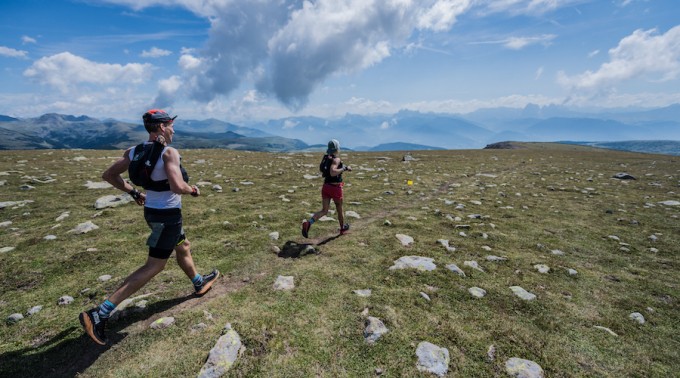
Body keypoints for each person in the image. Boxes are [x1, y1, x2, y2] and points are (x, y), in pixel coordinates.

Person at [79, 109, 219, 345]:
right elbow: (176, 186)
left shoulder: (135, 151)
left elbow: (109, 175)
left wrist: (134, 192)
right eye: (171, 125)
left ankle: (199, 282)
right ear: (162, 127)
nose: (174, 129)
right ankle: (100, 313)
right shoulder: (169, 152)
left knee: (183, 246)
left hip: (153, 213)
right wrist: (193, 190)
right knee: (154, 265)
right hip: (167, 217)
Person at [302, 139, 352, 238]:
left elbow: (322, 169)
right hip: (335, 187)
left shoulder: (326, 158)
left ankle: (309, 223)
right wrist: (344, 168)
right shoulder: (336, 159)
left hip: (326, 187)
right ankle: (342, 229)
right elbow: (333, 172)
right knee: (339, 209)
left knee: (324, 210)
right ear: (337, 148)